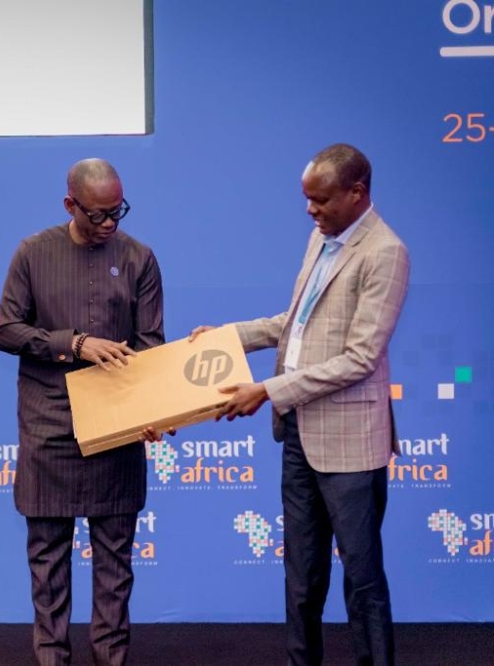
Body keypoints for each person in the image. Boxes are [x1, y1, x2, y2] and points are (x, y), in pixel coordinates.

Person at [193, 144, 409, 666]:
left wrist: (267, 391)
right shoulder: (321, 238)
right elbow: (294, 323)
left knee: (362, 579)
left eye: (321, 200)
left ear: (357, 193)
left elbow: (359, 358)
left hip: (350, 447)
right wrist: (229, 337)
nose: (310, 211)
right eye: (307, 200)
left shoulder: (385, 253)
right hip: (297, 433)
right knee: (301, 576)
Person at [0, 158, 164, 666]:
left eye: (118, 213)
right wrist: (75, 344)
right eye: (98, 215)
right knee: (47, 561)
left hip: (117, 427)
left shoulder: (140, 259)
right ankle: (52, 658)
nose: (110, 224)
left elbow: (152, 347)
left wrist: (156, 407)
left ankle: (111, 658)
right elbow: (6, 331)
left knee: (116, 560)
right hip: (49, 426)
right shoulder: (32, 252)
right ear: (70, 205)